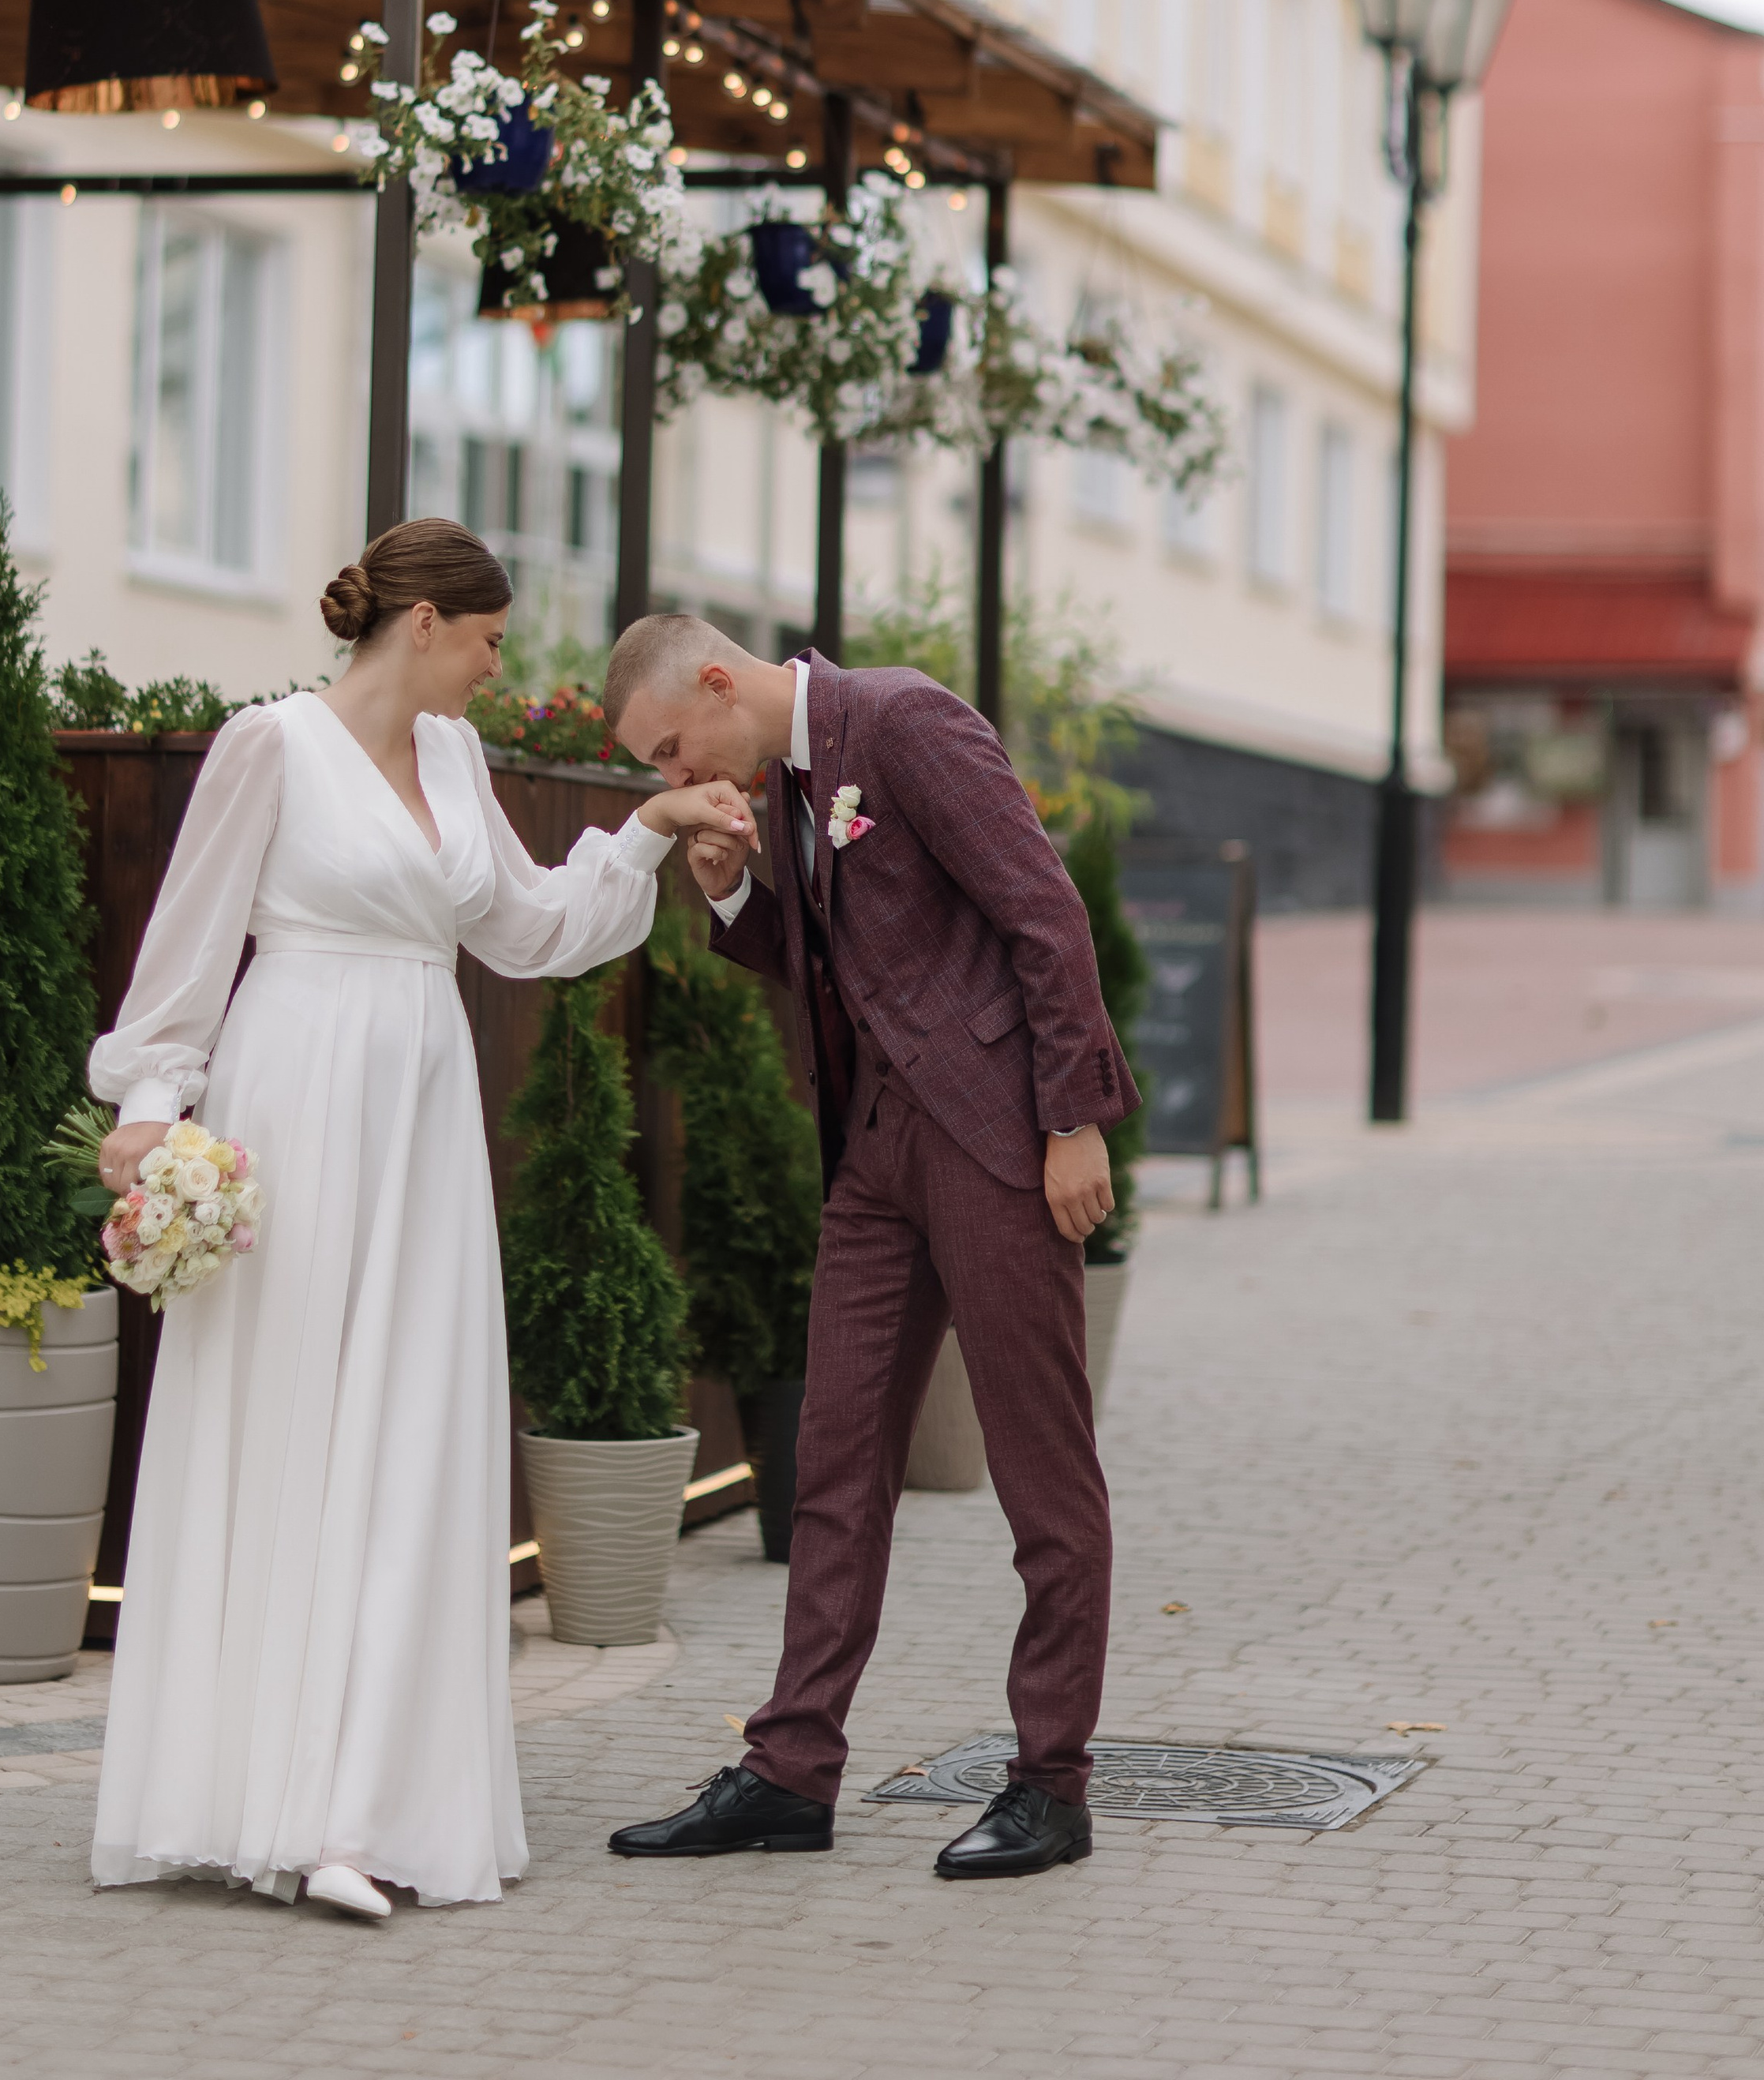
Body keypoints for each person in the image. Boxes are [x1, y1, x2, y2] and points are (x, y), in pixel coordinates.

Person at [86, 523, 751, 1921]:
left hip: (423, 1115)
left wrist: (647, 831)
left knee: (410, 1439)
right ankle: (270, 1797)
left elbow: (528, 930)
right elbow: (185, 962)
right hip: (299, 1099)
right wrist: (152, 1114)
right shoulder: (270, 747)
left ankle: (373, 1806)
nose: (501, 672)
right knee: (295, 1432)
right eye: (495, 642)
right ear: (430, 623)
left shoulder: (454, 761)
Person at [601, 619, 1138, 1881]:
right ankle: (791, 1770)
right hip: (875, 1160)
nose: (678, 781)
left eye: (674, 750)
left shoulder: (901, 723)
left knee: (1041, 1473)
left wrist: (1073, 1121)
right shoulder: (780, 782)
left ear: (720, 683)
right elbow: (829, 963)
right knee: (833, 1465)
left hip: (999, 1144)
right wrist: (729, 886)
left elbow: (1046, 917)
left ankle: (1051, 1784)